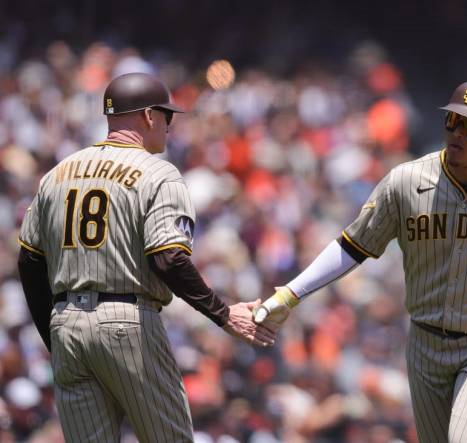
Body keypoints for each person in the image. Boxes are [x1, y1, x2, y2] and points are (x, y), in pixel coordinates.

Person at [254, 81, 467, 442]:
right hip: (426, 344)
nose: (457, 132)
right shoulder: (406, 181)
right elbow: (353, 245)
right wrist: (290, 294)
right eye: (452, 121)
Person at [17, 72, 277, 443]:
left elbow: (29, 262)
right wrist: (223, 313)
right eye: (167, 116)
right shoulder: (158, 174)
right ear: (149, 116)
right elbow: (168, 258)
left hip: (65, 324)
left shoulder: (56, 175)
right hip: (127, 322)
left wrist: (54, 335)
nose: (170, 125)